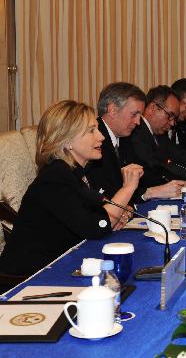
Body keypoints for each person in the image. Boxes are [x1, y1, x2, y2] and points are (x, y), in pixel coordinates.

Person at [0, 100, 142, 276]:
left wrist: (119, 213)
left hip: (64, 264)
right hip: (30, 278)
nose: (101, 137)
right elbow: (96, 226)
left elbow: (97, 215)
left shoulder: (80, 171)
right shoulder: (54, 178)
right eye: (91, 131)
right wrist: (128, 188)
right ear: (66, 141)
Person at [87, 82, 186, 202]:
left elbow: (147, 172)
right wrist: (149, 193)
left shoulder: (124, 139)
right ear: (112, 110)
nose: (138, 122)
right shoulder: (93, 141)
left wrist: (184, 184)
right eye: (134, 114)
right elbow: (106, 192)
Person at [120, 85, 186, 188]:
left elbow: (177, 155)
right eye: (170, 116)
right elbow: (155, 167)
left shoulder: (158, 133)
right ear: (153, 109)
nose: (172, 123)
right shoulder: (136, 132)